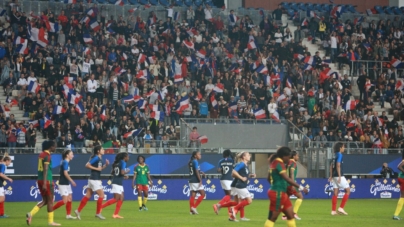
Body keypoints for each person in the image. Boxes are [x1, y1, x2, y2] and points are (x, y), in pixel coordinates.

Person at [265, 147, 308, 227]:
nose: (289, 159)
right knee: (272, 218)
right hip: (277, 193)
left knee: (290, 215)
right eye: (288, 156)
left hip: (281, 193)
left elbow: (268, 178)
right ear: (284, 156)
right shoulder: (278, 163)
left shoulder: (275, 162)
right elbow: (287, 178)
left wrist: (275, 184)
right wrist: (301, 187)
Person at [26, 140, 61, 226]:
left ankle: (31, 214)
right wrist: (45, 183)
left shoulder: (41, 154)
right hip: (47, 180)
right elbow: (45, 169)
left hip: (40, 179)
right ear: (50, 147)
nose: (55, 148)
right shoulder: (47, 156)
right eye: (54, 146)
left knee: (45, 200)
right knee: (50, 201)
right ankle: (50, 222)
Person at [75, 145, 110, 220]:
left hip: (93, 179)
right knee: (101, 195)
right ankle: (98, 213)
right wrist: (96, 168)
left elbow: (99, 169)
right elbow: (87, 165)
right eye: (102, 149)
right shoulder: (96, 157)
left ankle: (78, 211)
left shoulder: (100, 158)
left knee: (88, 195)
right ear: (98, 151)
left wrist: (105, 165)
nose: (103, 150)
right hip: (94, 179)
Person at [229, 151, 255, 222]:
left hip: (242, 185)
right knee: (249, 201)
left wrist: (251, 175)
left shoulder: (245, 165)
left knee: (241, 202)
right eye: (248, 155)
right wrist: (241, 178)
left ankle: (236, 217)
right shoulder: (241, 164)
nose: (249, 156)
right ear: (244, 157)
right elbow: (233, 172)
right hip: (241, 186)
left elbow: (245, 174)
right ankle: (234, 209)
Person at [102, 152, 130, 218]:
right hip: (117, 183)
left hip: (117, 182)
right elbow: (122, 172)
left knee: (121, 198)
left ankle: (115, 214)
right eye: (127, 157)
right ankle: (101, 207)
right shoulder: (123, 162)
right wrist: (126, 172)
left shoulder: (116, 163)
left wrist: (123, 176)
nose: (128, 158)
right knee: (116, 199)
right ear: (124, 157)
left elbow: (113, 173)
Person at [52, 150, 77, 220]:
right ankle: (51, 209)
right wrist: (72, 181)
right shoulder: (65, 162)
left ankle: (68, 215)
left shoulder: (65, 162)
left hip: (66, 183)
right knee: (65, 201)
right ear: (67, 155)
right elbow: (65, 173)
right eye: (71, 154)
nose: (73, 156)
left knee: (70, 199)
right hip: (63, 183)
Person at [329, 142, 350, 215]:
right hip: (338, 175)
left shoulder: (334, 155)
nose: (344, 148)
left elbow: (331, 166)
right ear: (340, 148)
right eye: (343, 147)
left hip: (334, 176)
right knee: (348, 190)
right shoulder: (340, 155)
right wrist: (340, 176)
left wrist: (331, 176)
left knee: (335, 193)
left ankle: (333, 211)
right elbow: (338, 165)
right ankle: (341, 208)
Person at [282, 151, 303, 220]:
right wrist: (293, 183)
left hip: (285, 183)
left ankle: (284, 215)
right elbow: (292, 173)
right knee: (300, 196)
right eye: (297, 156)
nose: (298, 157)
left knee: (286, 199)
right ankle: (294, 213)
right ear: (294, 156)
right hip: (290, 183)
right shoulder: (293, 163)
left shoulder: (287, 162)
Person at [213, 149, 234, 215]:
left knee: (227, 196)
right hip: (229, 179)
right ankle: (218, 205)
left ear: (224, 154)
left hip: (223, 179)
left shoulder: (221, 161)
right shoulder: (231, 160)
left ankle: (229, 211)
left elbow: (218, 170)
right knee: (229, 195)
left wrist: (221, 170)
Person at [188, 151, 205, 215]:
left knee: (193, 194)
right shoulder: (195, 161)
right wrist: (200, 180)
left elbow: (195, 170)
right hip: (195, 180)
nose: (200, 155)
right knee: (203, 194)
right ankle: (194, 207)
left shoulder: (191, 162)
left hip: (191, 179)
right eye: (199, 154)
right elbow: (196, 171)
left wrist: (201, 172)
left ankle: (191, 211)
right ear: (195, 156)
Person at [0, 153, 13, 218]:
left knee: (2, 198)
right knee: (2, 198)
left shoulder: (2, 165)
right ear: (7, 161)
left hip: (0, 183)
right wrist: (8, 178)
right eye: (10, 161)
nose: (10, 163)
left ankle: (1, 214)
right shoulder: (3, 165)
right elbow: (0, 174)